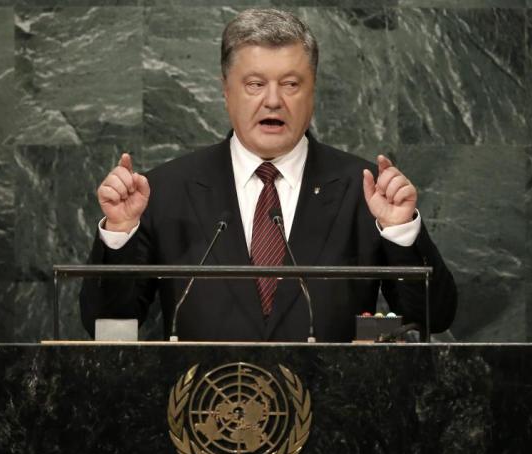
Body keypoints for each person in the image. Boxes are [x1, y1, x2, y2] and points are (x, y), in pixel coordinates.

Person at [80, 8, 457, 341]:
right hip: (204, 397)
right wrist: (119, 235)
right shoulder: (166, 190)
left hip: (331, 399)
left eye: (291, 84)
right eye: (255, 84)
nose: (273, 100)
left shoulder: (365, 190)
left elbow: (433, 318)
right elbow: (106, 324)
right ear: (226, 91)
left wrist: (399, 232)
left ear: (313, 93)